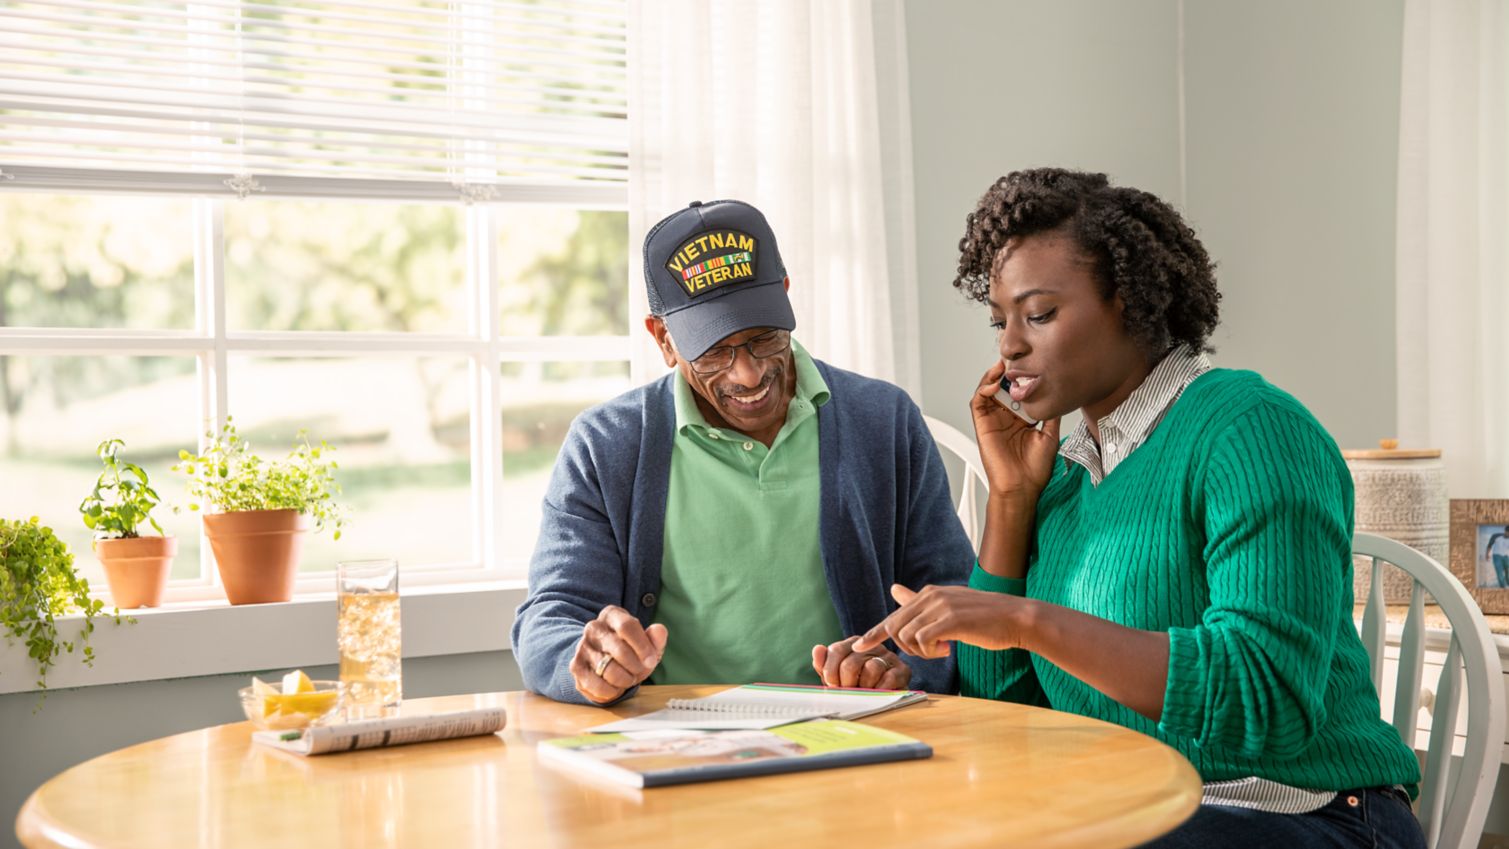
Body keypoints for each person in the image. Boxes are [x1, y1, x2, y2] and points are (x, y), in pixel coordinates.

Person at [853, 169, 1425, 848]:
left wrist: (1026, 618)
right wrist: (1009, 502)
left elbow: (1263, 695)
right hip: (1128, 805)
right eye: (998, 319)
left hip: (1304, 812)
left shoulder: (1251, 428)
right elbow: (1005, 712)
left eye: (1037, 314)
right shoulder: (1064, 476)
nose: (1008, 344)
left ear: (1126, 299)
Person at [512, 199, 974, 705]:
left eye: (764, 338)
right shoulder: (605, 445)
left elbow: (955, 602)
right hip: (676, 743)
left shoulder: (884, 421)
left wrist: (904, 668)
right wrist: (587, 662)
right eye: (714, 351)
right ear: (663, 338)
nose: (748, 374)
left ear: (786, 296)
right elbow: (550, 618)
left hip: (852, 734)